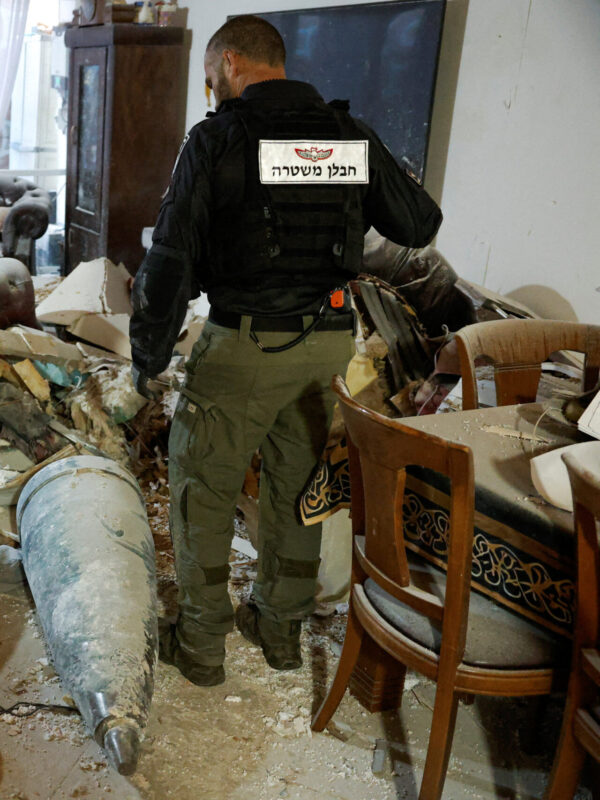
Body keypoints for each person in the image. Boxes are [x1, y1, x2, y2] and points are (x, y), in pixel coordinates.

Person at [129, 15, 442, 687]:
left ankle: (202, 644)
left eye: (210, 76)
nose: (211, 89)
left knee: (201, 488)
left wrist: (147, 357)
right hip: (327, 345)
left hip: (244, 346)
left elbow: (169, 261)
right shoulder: (346, 135)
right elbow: (419, 223)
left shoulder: (217, 138)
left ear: (231, 63)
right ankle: (279, 632)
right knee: (299, 488)